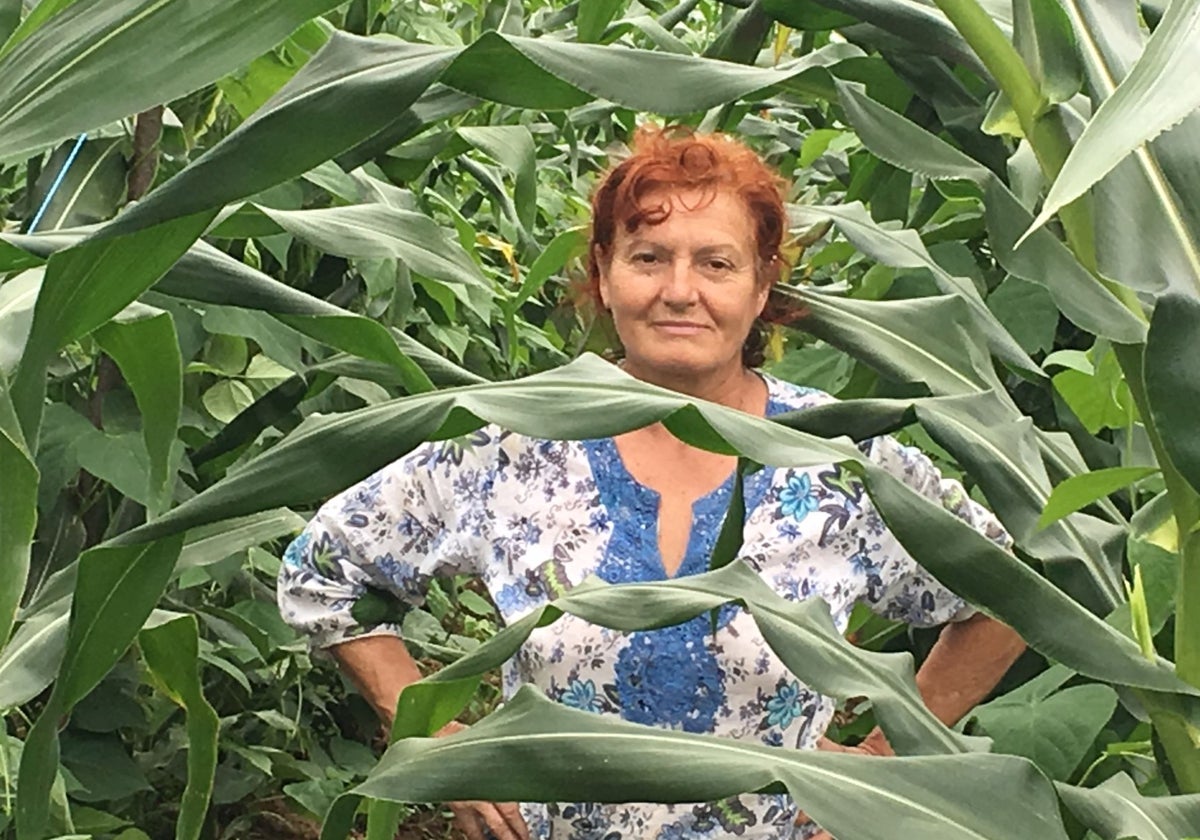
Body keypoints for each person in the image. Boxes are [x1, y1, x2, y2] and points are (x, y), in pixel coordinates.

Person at [277, 126, 1026, 840]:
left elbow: (1010, 596)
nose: (679, 290)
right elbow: (324, 571)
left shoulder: (836, 458)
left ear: (763, 287)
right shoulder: (515, 441)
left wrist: (883, 774)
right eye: (648, 257)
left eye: (716, 263)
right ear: (603, 275)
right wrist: (439, 747)